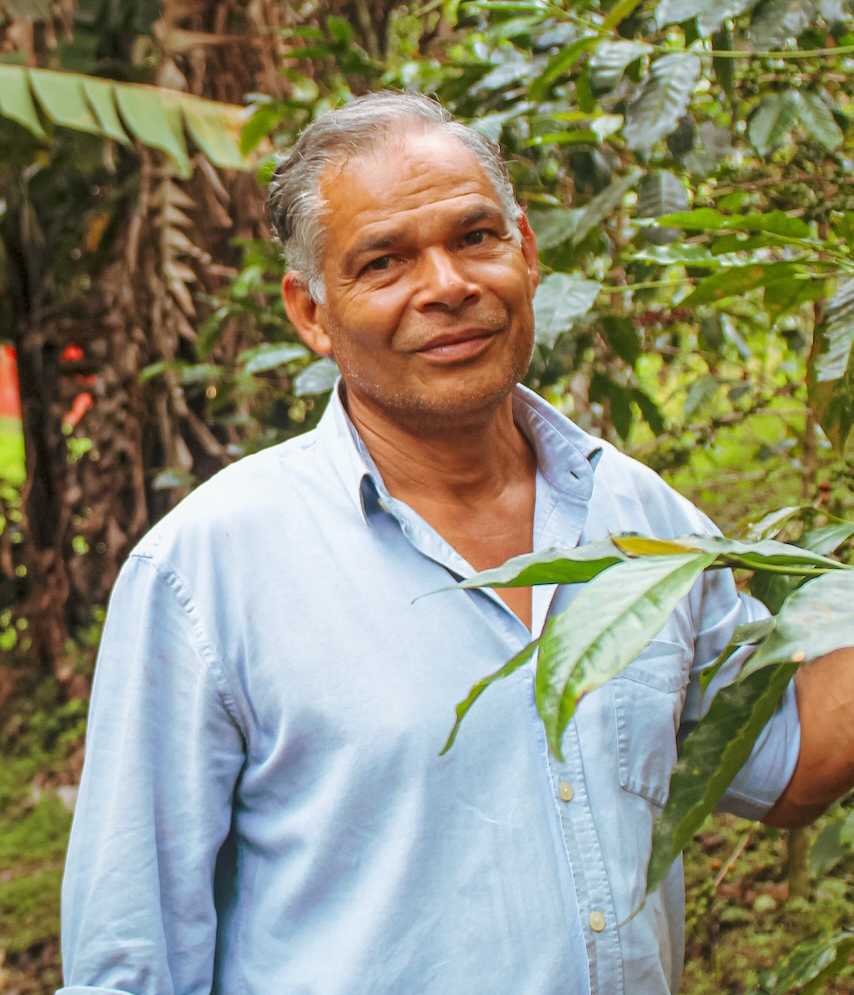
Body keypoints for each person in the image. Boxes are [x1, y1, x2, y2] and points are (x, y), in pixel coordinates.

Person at [58, 92, 853, 995]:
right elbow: (130, 961)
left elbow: (787, 760)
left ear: (526, 251)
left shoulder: (643, 519)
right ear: (312, 313)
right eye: (384, 261)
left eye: (475, 238)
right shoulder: (207, 568)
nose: (447, 285)